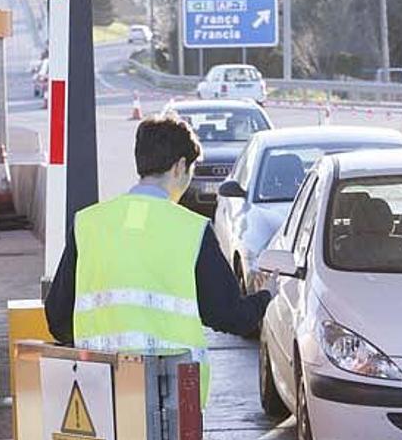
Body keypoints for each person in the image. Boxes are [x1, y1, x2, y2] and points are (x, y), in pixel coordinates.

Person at [44, 114, 274, 406]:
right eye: (190, 171)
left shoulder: (89, 224)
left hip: (99, 394)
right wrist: (268, 296)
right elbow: (229, 315)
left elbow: (58, 316)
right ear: (180, 166)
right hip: (173, 398)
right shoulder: (191, 230)